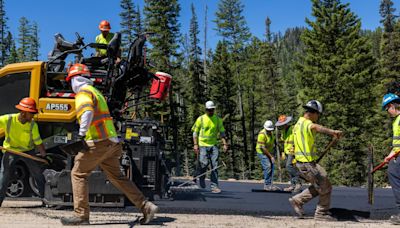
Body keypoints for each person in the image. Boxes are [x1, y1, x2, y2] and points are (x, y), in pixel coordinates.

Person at [60, 63, 158, 225]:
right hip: (112, 143)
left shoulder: (83, 93)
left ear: (74, 80)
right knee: (117, 176)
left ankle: (81, 215)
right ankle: (145, 206)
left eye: (70, 81)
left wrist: (81, 134)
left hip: (97, 142)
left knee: (78, 174)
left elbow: (87, 112)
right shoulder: (96, 93)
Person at [289, 100, 342, 221]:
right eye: (318, 114)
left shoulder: (297, 124)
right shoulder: (306, 123)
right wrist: (333, 132)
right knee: (325, 186)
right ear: (313, 113)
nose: (318, 117)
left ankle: (297, 200)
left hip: (305, 163)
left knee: (322, 184)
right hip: (306, 164)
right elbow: (316, 127)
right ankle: (321, 214)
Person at [0, 97, 47, 206]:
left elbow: (38, 141)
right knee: (4, 175)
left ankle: (45, 198)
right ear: (24, 113)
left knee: (38, 174)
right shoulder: (9, 119)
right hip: (10, 151)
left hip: (28, 152)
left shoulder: (32, 124)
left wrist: (44, 156)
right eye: (31, 113)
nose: (33, 116)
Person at [192, 101, 228, 194]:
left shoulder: (217, 119)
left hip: (213, 145)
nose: (210, 111)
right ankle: (201, 177)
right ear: (206, 110)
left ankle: (214, 187)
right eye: (209, 110)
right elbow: (195, 133)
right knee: (203, 164)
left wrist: (224, 144)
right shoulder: (201, 119)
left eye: (212, 110)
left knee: (214, 166)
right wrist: (195, 144)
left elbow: (222, 133)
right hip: (202, 145)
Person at [382, 93, 400, 225]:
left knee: (394, 175)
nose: (387, 112)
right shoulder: (396, 120)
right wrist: (389, 156)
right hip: (397, 154)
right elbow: (397, 144)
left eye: (386, 109)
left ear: (392, 106)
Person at [275, 115, 301, 193]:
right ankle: (293, 185)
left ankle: (298, 182)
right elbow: (285, 141)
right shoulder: (283, 131)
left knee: (288, 166)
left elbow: (297, 139)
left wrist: (294, 147)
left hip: (292, 151)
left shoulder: (293, 129)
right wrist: (283, 152)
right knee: (289, 169)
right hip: (287, 151)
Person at [256, 120, 280, 191]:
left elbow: (271, 144)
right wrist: (271, 156)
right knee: (268, 166)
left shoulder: (271, 133)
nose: (269, 131)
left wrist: (272, 154)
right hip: (261, 152)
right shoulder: (262, 134)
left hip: (268, 151)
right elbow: (263, 148)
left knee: (272, 166)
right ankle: (266, 185)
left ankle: (270, 184)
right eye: (268, 130)